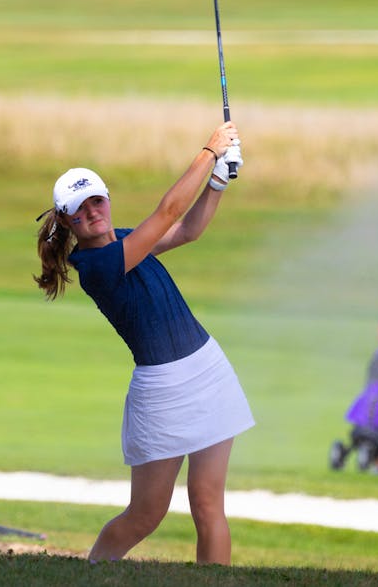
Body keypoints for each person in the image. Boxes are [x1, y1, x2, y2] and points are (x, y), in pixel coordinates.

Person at [33, 122, 254, 565]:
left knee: (209, 504)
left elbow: (188, 230)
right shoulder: (97, 265)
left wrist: (217, 182)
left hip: (209, 370)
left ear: (107, 200)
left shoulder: (124, 239)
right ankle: (92, 571)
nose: (94, 211)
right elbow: (169, 211)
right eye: (81, 208)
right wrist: (209, 151)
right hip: (164, 392)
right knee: (146, 515)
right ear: (67, 220)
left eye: (97, 200)